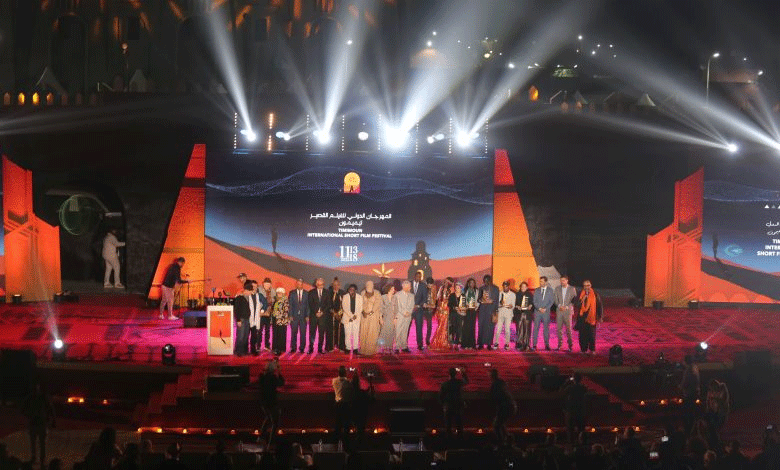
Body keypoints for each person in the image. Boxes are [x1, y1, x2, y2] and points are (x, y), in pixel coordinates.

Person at [22, 382, 55, 469]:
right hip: (36, 422)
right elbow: (23, 409)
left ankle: (40, 459)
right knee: (37, 442)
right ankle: (37, 458)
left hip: (40, 422)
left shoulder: (39, 398)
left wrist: (52, 419)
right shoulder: (32, 398)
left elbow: (50, 408)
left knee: (39, 442)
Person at [259, 359, 284, 447]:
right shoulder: (272, 378)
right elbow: (281, 383)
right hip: (272, 402)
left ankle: (261, 437)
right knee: (274, 423)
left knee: (268, 418)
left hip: (264, 402)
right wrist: (279, 371)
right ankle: (270, 442)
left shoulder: (262, 376)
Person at [439, 367, 468, 440]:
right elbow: (466, 381)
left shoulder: (444, 384)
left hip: (448, 406)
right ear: (455, 374)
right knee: (459, 425)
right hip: (457, 406)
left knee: (448, 426)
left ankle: (448, 440)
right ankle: (460, 440)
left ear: (449, 374)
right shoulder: (458, 383)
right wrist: (463, 373)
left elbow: (441, 396)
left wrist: (444, 405)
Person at [489, 369, 516, 446]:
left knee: (497, 425)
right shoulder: (501, 383)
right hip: (509, 406)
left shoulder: (495, 385)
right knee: (500, 424)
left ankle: (502, 442)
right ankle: (506, 440)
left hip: (505, 407)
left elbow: (494, 397)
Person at [576, 280, 602, 354]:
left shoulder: (595, 294)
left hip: (591, 318)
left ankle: (592, 349)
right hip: (582, 318)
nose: (586, 287)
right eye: (585, 286)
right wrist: (583, 299)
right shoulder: (581, 294)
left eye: (588, 285)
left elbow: (599, 306)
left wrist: (600, 317)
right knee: (582, 335)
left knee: (591, 335)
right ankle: (583, 349)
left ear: (591, 286)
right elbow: (577, 305)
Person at [307, 278, 331, 354]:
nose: (321, 286)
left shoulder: (327, 292)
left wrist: (322, 312)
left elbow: (328, 304)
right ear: (316, 284)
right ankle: (311, 348)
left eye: (322, 284)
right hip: (314, 316)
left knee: (321, 333)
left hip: (323, 317)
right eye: (319, 284)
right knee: (312, 333)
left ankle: (320, 349)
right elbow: (310, 303)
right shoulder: (311, 292)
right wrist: (316, 312)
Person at [351, 373, 375, 447]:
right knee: (361, 431)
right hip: (362, 415)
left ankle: (357, 444)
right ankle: (360, 444)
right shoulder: (362, 393)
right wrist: (371, 389)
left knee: (358, 430)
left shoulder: (351, 393)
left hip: (355, 415)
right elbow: (371, 399)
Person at [554, 276, 577, 352]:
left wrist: (566, 307)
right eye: (561, 280)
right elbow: (555, 299)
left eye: (563, 280)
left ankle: (570, 346)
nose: (562, 282)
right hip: (559, 311)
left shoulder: (572, 289)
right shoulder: (557, 288)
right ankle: (559, 345)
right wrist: (559, 306)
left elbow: (574, 300)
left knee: (569, 329)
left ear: (567, 280)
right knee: (559, 329)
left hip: (568, 311)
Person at [477, 275, 499, 350]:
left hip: (491, 310)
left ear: (490, 280)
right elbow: (478, 299)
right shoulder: (481, 288)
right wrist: (482, 300)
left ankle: (489, 344)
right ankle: (480, 344)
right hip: (483, 310)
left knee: (490, 327)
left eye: (487, 280)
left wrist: (495, 310)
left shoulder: (495, 288)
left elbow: (497, 300)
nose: (486, 282)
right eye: (485, 281)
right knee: (481, 326)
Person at [563, 372, 587, 443]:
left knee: (570, 429)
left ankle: (571, 442)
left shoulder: (570, 387)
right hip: (580, 411)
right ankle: (582, 442)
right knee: (581, 429)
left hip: (571, 411)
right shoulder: (583, 388)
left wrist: (566, 383)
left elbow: (562, 392)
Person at [430, 278, 453, 351]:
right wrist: (437, 308)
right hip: (441, 310)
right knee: (440, 326)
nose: (446, 283)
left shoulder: (451, 290)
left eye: (447, 282)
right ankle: (438, 342)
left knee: (445, 327)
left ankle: (444, 342)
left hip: (447, 309)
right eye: (445, 282)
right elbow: (437, 299)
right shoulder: (441, 288)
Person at [359, 281, 381, 356]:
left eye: (371, 285)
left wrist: (371, 312)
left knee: (372, 332)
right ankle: (363, 349)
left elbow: (378, 303)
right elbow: (360, 303)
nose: (369, 286)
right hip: (364, 316)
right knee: (364, 332)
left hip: (373, 316)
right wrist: (363, 311)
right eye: (368, 285)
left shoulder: (377, 293)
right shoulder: (362, 293)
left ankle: (371, 350)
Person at [532, 276, 554, 351]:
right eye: (540, 281)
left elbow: (551, 301)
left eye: (541, 281)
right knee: (535, 328)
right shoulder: (537, 290)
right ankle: (534, 345)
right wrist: (539, 308)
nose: (540, 283)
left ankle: (547, 345)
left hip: (546, 312)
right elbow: (534, 301)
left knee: (546, 329)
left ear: (545, 282)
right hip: (537, 312)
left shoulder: (550, 290)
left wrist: (545, 308)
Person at [288, 279, 309, 353]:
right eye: (298, 284)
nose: (299, 285)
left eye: (301, 284)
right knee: (294, 332)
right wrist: (290, 315)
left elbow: (308, 305)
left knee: (303, 333)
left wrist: (307, 315)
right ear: (296, 284)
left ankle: (302, 348)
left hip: (303, 317)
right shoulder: (292, 293)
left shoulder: (306, 293)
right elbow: (290, 305)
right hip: (294, 316)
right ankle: (293, 347)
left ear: (303, 285)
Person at [680, 354, 700, 435]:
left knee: (687, 412)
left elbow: (685, 382)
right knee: (692, 411)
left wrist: (680, 387)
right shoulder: (695, 367)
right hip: (694, 393)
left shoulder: (688, 370)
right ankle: (692, 429)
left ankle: (688, 430)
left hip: (689, 394)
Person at [332, 366, 353, 441]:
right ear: (345, 373)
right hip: (345, 405)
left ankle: (336, 441)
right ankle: (346, 441)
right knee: (346, 425)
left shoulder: (334, 380)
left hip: (338, 404)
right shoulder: (348, 382)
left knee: (338, 425)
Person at [233, 281, 254, 357]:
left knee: (246, 336)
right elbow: (236, 310)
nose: (250, 293)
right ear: (246, 290)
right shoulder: (239, 297)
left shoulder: (249, 298)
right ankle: (238, 351)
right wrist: (238, 320)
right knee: (240, 336)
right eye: (250, 291)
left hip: (247, 319)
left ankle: (244, 351)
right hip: (241, 319)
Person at [493, 281, 516, 350]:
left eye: (506, 286)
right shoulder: (500, 294)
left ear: (509, 286)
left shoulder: (512, 294)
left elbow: (513, 305)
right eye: (504, 286)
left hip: (508, 313)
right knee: (498, 329)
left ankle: (507, 344)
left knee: (507, 329)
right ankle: (496, 343)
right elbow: (497, 304)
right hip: (501, 312)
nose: (505, 287)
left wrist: (511, 306)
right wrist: (500, 305)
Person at [341, 284, 362, 355]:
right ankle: (348, 348)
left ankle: (355, 348)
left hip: (356, 318)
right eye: (350, 289)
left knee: (356, 334)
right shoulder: (345, 296)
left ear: (355, 290)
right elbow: (344, 307)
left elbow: (360, 307)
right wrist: (351, 316)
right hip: (347, 318)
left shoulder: (359, 297)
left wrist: (355, 315)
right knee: (348, 334)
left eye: (353, 289)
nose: (351, 291)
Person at [394, 281, 415, 353]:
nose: (410, 288)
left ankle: (404, 346)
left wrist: (409, 312)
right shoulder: (397, 295)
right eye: (408, 286)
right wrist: (403, 312)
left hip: (408, 316)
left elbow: (412, 305)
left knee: (405, 331)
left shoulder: (412, 295)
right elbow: (397, 306)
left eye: (410, 286)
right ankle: (397, 347)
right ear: (403, 286)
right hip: (400, 316)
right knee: (398, 331)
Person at [411, 272, 431, 350]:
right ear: (414, 276)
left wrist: (418, 305)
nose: (418, 278)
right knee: (406, 328)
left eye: (420, 277)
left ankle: (420, 344)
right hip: (409, 310)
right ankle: (404, 345)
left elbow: (424, 298)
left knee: (419, 327)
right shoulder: (409, 284)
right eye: (417, 276)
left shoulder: (423, 285)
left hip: (419, 310)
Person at [248, 280, 267, 356]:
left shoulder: (259, 295)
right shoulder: (247, 295)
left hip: (255, 319)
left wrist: (262, 311)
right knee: (245, 335)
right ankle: (244, 349)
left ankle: (253, 350)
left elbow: (265, 303)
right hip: (247, 319)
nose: (254, 288)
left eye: (256, 286)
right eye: (253, 286)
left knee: (254, 336)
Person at [514, 282, 533, 351]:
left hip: (527, 314)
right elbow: (514, 303)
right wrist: (517, 306)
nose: (523, 288)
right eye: (522, 286)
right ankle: (519, 344)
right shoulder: (517, 294)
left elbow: (532, 303)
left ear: (527, 287)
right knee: (519, 329)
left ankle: (526, 344)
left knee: (527, 329)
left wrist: (530, 305)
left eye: (524, 286)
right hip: (519, 314)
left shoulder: (530, 294)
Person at [377, 284, 396, 353]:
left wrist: (396, 318)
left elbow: (396, 309)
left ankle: (390, 347)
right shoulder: (383, 297)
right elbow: (380, 308)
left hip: (392, 318)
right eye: (392, 289)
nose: (394, 290)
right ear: (389, 289)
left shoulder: (395, 298)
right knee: (383, 333)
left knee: (391, 333)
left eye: (394, 289)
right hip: (385, 317)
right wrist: (380, 318)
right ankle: (382, 347)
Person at [270, 288, 289, 355]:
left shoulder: (285, 300)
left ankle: (280, 349)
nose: (279, 294)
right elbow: (272, 308)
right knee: (275, 334)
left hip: (282, 320)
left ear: (283, 293)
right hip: (275, 319)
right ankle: (275, 348)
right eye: (278, 292)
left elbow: (286, 310)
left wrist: (278, 314)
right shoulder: (275, 300)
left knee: (281, 334)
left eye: (280, 292)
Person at [328, 278, 345, 352]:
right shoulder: (329, 293)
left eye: (337, 285)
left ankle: (340, 347)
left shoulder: (343, 293)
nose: (336, 286)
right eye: (334, 285)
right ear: (332, 285)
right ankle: (331, 347)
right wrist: (334, 313)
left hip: (340, 315)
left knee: (340, 331)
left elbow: (344, 305)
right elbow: (327, 304)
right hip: (331, 315)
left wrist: (339, 314)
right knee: (331, 331)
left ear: (339, 285)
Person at [257, 278, 274, 351]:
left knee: (267, 330)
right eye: (266, 284)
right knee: (259, 330)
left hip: (269, 313)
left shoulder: (273, 291)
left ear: (270, 284)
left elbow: (274, 300)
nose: (267, 285)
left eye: (268, 284)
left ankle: (267, 345)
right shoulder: (259, 289)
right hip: (261, 313)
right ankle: (258, 345)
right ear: (263, 284)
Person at [461, 278, 478, 349]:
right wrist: (465, 305)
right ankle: (465, 344)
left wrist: (476, 306)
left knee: (472, 327)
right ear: (468, 283)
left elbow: (478, 300)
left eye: (473, 283)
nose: (472, 284)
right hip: (467, 311)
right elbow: (462, 300)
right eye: (471, 283)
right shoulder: (465, 290)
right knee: (466, 327)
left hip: (473, 311)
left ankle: (471, 344)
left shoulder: (476, 291)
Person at [448, 283, 466, 350]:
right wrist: (454, 307)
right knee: (453, 327)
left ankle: (457, 342)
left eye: (458, 288)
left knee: (459, 328)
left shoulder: (463, 296)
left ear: (461, 288)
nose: (457, 289)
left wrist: (463, 308)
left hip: (460, 313)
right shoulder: (452, 295)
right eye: (456, 288)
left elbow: (465, 304)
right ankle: (452, 341)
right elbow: (449, 304)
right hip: (453, 313)